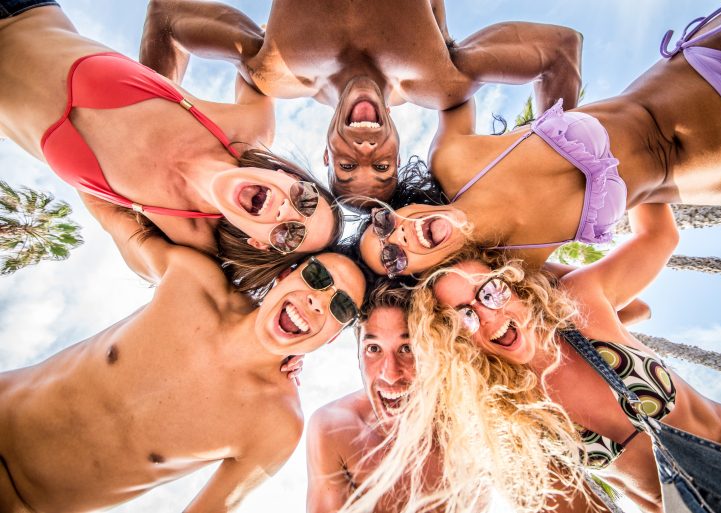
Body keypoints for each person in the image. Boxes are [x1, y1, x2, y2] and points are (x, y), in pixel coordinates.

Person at [347, 203, 721, 513]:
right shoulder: (513, 415)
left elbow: (658, 236)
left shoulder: (581, 306)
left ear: (515, 284)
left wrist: (626, 145)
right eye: (465, 316)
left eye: (491, 292)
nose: (488, 316)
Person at [0, 193, 366, 513]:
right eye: (318, 277)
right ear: (286, 275)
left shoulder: (276, 425)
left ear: (332, 337)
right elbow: (110, 212)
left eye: (341, 307)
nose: (318, 302)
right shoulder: (193, 280)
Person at [358, 0, 721, 276]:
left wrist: (557, 123)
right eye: (392, 257)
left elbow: (446, 55)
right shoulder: (519, 270)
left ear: (402, 206)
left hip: (713, 62)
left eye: (383, 223)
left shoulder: (453, 158)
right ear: (420, 276)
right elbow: (624, 307)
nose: (398, 236)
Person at [0, 1, 342, 278]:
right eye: (305, 200)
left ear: (260, 244)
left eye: (290, 235)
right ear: (288, 176)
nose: (286, 210)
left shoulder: (182, 240)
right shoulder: (247, 128)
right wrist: (154, 84)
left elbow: (174, 283)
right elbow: (168, 11)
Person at [139, 0, 583, 209]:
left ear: (327, 154)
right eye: (382, 167)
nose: (365, 152)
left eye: (347, 167)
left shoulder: (273, 70)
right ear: (397, 152)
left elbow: (167, 17)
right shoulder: (442, 81)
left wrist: (150, 124)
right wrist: (556, 165)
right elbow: (560, 50)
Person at [307, 279, 425, 513]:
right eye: (374, 349)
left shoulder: (470, 426)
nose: (390, 374)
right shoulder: (334, 429)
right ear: (358, 356)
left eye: (407, 348)